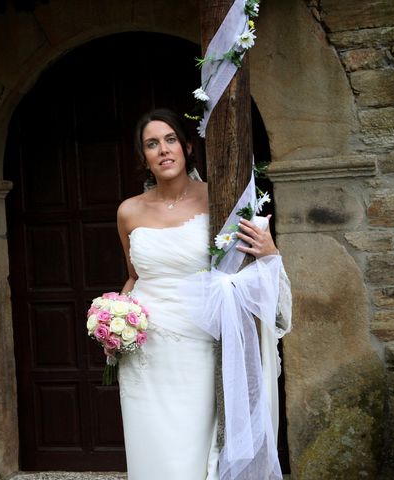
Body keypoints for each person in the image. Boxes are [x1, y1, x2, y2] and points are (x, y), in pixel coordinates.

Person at [116, 108, 280, 479]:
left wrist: (269, 251)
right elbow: (133, 276)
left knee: (194, 441)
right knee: (151, 442)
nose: (163, 150)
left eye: (170, 139)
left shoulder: (220, 200)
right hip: (145, 349)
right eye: (152, 144)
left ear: (188, 147)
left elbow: (254, 263)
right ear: (143, 157)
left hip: (198, 340)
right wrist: (113, 317)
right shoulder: (128, 212)